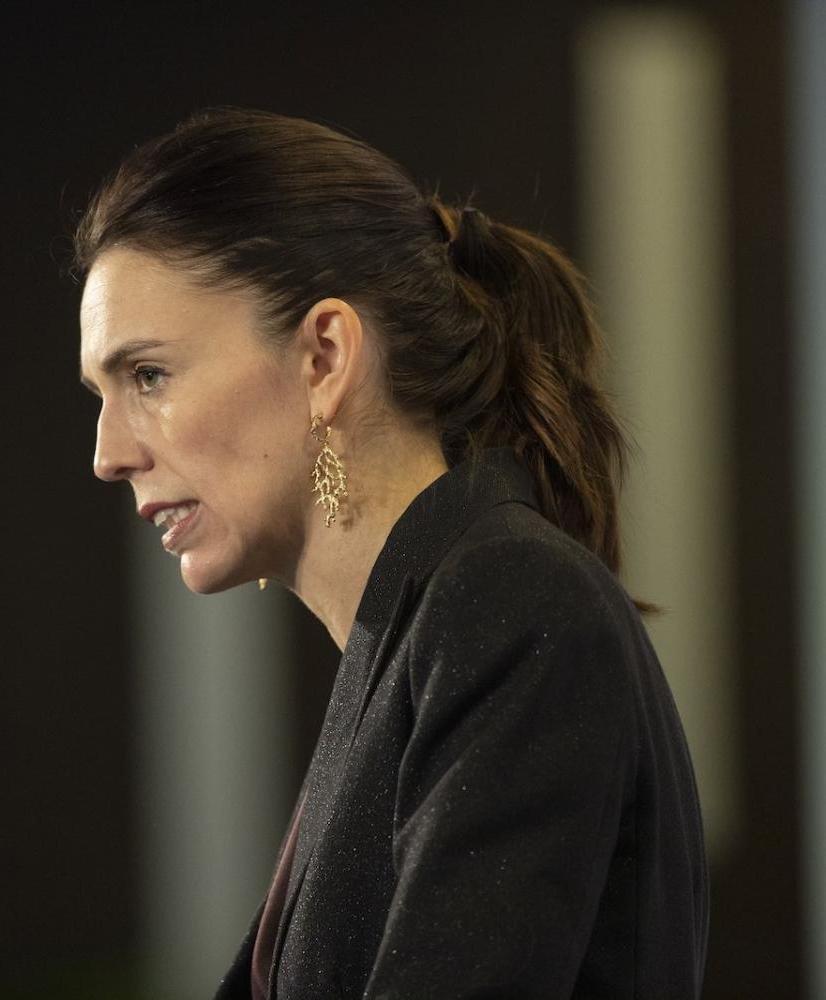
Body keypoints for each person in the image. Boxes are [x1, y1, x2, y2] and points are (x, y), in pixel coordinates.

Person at [73, 108, 708, 999]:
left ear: (325, 357)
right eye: (102, 393)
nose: (108, 454)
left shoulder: (510, 601)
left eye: (148, 376)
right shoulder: (418, 632)